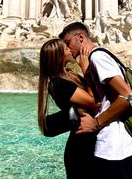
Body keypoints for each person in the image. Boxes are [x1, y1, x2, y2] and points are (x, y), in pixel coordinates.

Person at [59, 22, 132, 179]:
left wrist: (96, 123)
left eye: (68, 43)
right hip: (115, 146)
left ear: (80, 37)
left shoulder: (98, 57)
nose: (68, 49)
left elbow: (128, 96)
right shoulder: (96, 57)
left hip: (115, 148)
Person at [38, 38, 100, 179]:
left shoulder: (68, 76)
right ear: (59, 56)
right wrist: (86, 68)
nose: (70, 49)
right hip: (80, 148)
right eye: (66, 48)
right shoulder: (58, 83)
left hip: (86, 139)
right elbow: (94, 102)